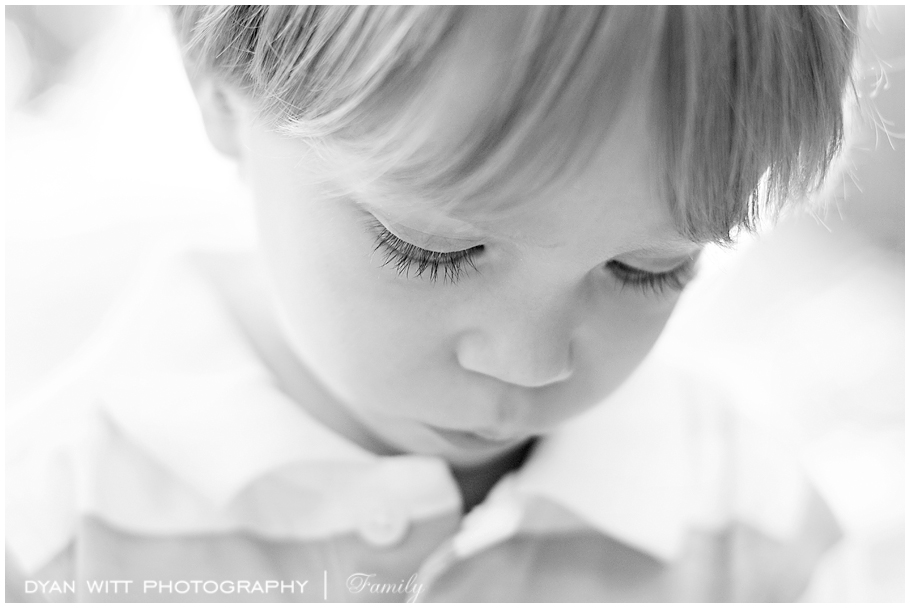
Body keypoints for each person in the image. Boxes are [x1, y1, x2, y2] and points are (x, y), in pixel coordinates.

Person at [6, 6, 859, 602]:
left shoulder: (752, 525)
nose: (531, 364)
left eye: (646, 269)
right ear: (222, 96)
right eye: (432, 249)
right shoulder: (53, 531)